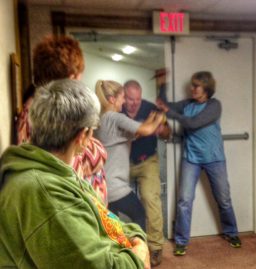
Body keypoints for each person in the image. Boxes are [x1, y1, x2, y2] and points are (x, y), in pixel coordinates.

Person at [0, 79, 150, 269]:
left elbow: (105, 218)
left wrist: (136, 235)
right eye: (92, 133)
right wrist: (140, 253)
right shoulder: (46, 194)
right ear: (83, 136)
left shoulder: (54, 171)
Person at [156, 71, 241, 256]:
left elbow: (193, 123)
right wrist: (162, 85)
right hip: (191, 158)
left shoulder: (214, 105)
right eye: (192, 85)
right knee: (184, 201)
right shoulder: (187, 104)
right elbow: (166, 106)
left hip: (214, 158)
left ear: (206, 88)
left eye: (196, 86)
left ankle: (231, 232)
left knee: (224, 199)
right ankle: (181, 241)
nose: (192, 88)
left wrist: (171, 113)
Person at [16, 34, 108, 204]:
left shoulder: (38, 107)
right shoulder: (46, 115)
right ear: (71, 77)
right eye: (79, 77)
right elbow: (89, 158)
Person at [94, 80, 165, 232]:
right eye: (122, 97)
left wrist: (150, 119)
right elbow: (146, 131)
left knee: (114, 228)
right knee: (139, 214)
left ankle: (119, 254)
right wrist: (160, 117)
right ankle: (139, 255)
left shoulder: (104, 119)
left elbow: (136, 133)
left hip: (105, 186)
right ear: (112, 99)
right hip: (116, 186)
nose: (124, 101)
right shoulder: (115, 117)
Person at [122, 80, 171, 267]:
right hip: (123, 161)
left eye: (137, 99)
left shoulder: (151, 109)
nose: (134, 103)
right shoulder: (117, 110)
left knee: (151, 198)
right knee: (107, 195)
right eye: (130, 99)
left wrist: (162, 129)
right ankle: (115, 242)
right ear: (123, 97)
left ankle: (156, 247)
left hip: (147, 160)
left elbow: (168, 134)